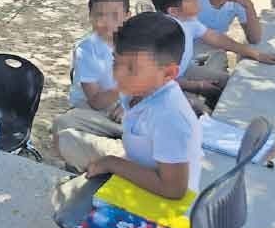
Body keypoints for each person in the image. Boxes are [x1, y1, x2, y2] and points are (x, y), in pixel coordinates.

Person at [71, 13, 204, 198]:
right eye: (116, 62)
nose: (118, 74)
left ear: (169, 73)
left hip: (160, 206)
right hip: (137, 164)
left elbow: (174, 190)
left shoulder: (170, 116)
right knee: (67, 140)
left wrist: (112, 163)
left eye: (132, 69)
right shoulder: (139, 91)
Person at [151, 0, 275, 111]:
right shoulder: (166, 37)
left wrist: (256, 54)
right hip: (164, 87)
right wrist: (197, 86)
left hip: (183, 71)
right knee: (200, 111)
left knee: (230, 82)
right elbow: (158, 80)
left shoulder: (188, 21)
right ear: (173, 11)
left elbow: (216, 38)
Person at [53, 0, 129, 170]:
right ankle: (85, 169)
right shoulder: (86, 50)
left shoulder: (136, 41)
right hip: (93, 108)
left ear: (127, 15)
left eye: (114, 15)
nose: (105, 22)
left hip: (128, 105)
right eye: (99, 15)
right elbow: (96, 102)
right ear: (90, 16)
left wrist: (129, 104)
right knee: (63, 125)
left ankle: (125, 159)